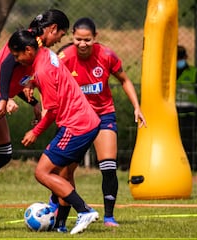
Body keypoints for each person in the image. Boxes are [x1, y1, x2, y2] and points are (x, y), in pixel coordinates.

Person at [0, 9, 70, 234]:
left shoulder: (36, 45)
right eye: (61, 35)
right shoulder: (27, 39)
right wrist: (4, 99)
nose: (59, 41)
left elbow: (16, 77)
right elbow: (6, 67)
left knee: (3, 154)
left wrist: (32, 101)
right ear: (53, 29)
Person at [54, 17, 147, 229]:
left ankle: (109, 217)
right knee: (65, 171)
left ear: (95, 37)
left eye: (87, 39)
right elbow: (49, 81)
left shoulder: (106, 56)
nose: (83, 44)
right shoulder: (64, 57)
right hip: (76, 118)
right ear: (72, 38)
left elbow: (124, 79)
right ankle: (60, 219)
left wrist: (137, 106)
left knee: (108, 166)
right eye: (78, 39)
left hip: (103, 116)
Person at [9, 29, 101, 235]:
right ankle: (60, 225)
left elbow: (52, 111)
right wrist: (32, 82)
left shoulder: (43, 71)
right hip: (87, 122)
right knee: (64, 174)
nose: (17, 60)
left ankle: (84, 210)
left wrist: (35, 131)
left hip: (76, 125)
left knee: (42, 172)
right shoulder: (46, 54)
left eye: (17, 56)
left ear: (28, 50)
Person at [176, 45, 197, 169]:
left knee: (190, 144)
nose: (179, 61)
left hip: (190, 115)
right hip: (173, 115)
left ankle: (190, 168)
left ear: (186, 57)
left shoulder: (193, 73)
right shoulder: (168, 73)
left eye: (180, 58)